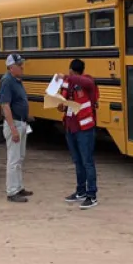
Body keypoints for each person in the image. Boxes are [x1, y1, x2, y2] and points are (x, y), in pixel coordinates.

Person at [56, 59, 100, 209]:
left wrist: (66, 78)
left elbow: (85, 83)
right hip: (71, 129)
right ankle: (81, 191)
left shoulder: (87, 82)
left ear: (72, 71)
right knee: (78, 161)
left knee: (87, 161)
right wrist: (60, 105)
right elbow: (61, 104)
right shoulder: (68, 85)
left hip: (85, 129)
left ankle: (92, 195)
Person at [0, 53, 33, 203]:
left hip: (22, 122)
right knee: (13, 159)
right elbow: (5, 106)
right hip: (15, 124)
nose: (22, 67)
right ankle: (12, 191)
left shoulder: (17, 80)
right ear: (11, 68)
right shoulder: (7, 81)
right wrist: (13, 129)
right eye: (19, 65)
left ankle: (18, 187)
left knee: (20, 157)